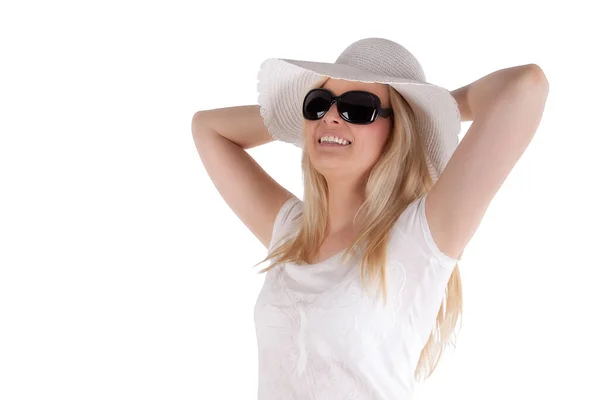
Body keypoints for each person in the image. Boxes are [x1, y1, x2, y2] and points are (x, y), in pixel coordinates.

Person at [191, 37, 548, 399]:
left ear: (399, 129)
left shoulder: (419, 238)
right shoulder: (292, 233)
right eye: (318, 104)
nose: (330, 115)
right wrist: (305, 119)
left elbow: (526, 87)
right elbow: (207, 128)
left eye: (359, 107)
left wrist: (434, 109)